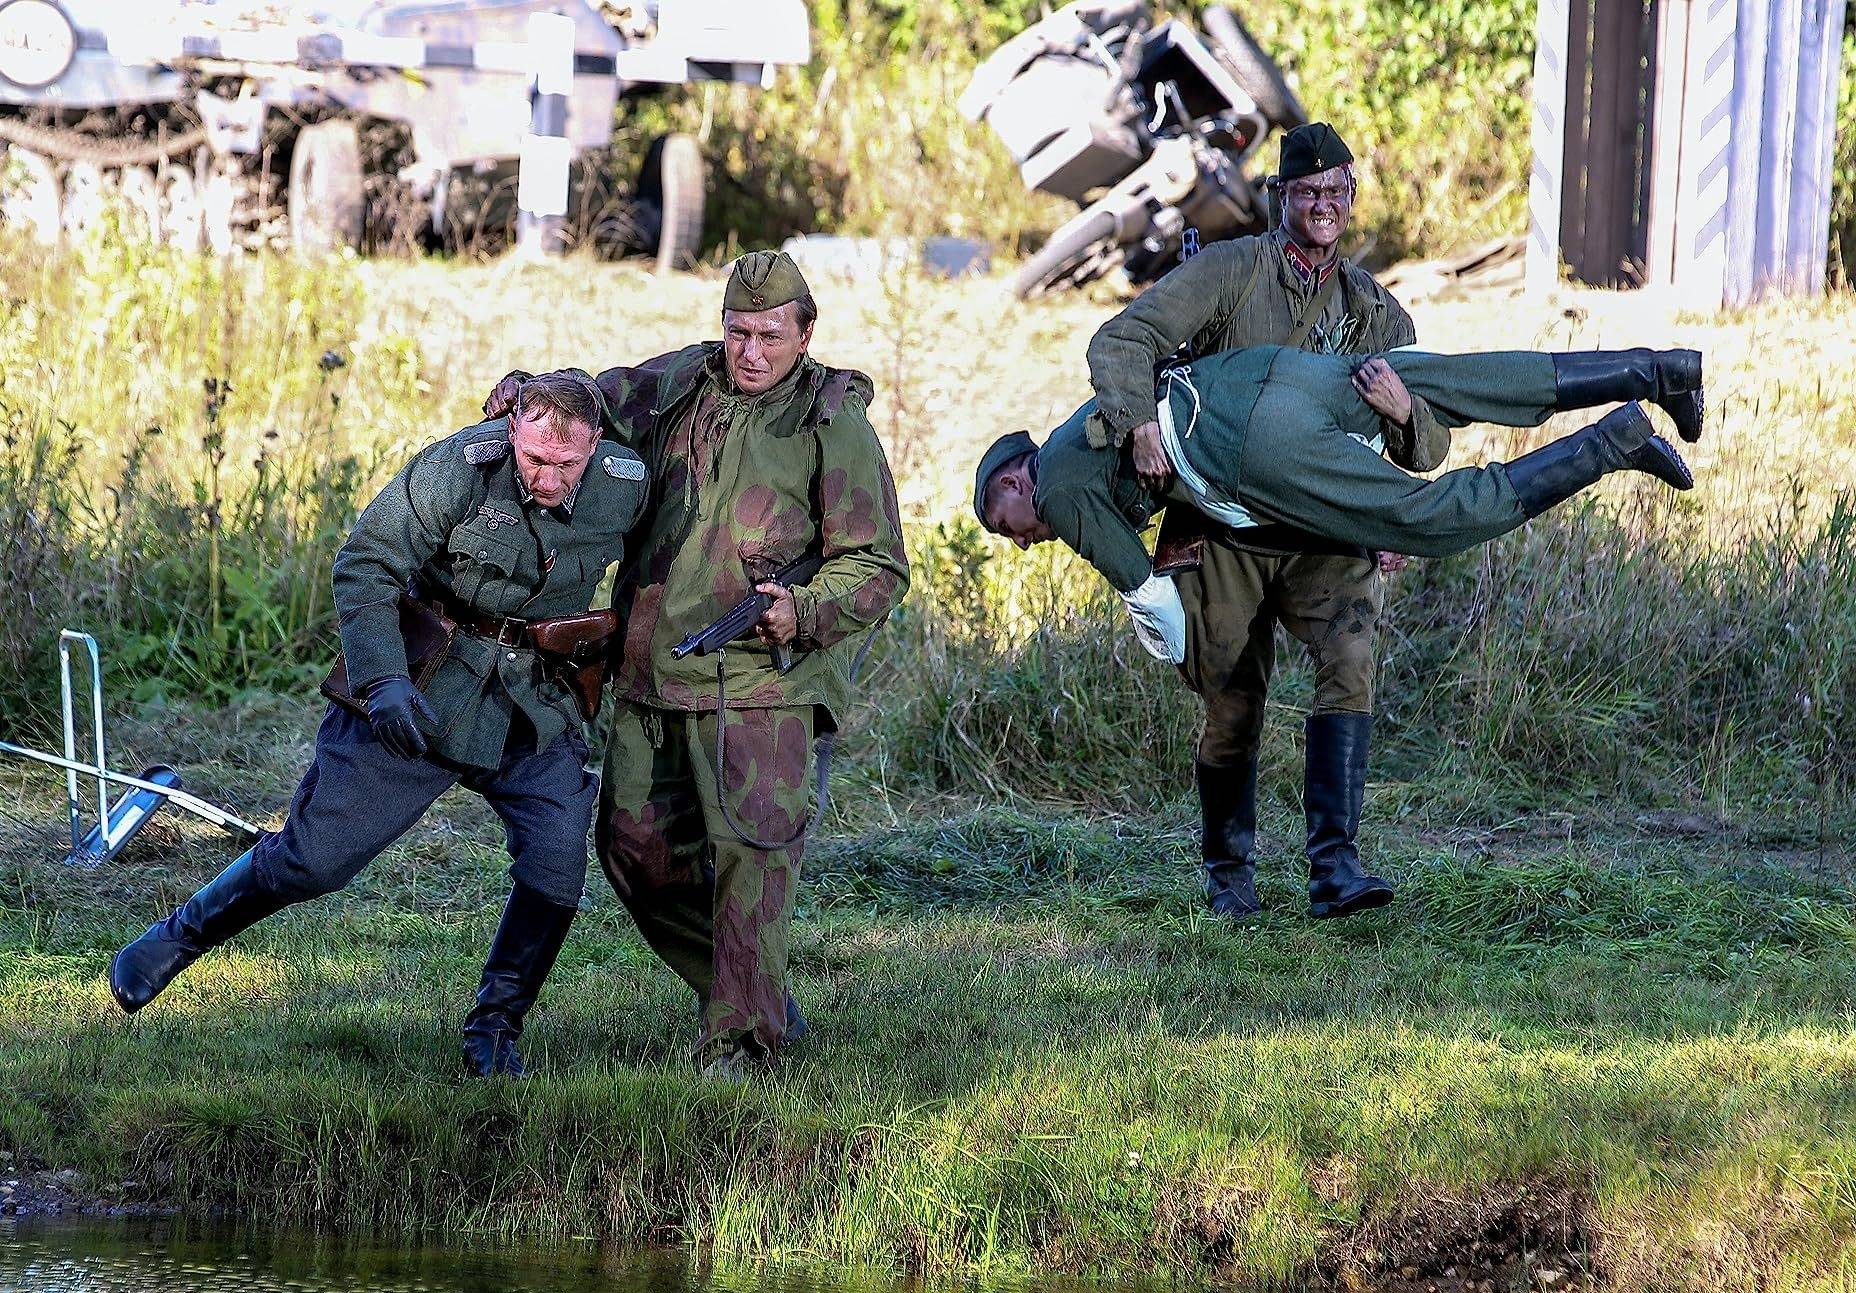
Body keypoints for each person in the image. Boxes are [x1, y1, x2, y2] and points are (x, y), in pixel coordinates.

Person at [106, 372, 651, 1080]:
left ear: (595, 444)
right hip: (427, 683)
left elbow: (661, 554)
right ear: (514, 430)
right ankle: (176, 939)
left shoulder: (624, 481)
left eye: (565, 464)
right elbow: (366, 562)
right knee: (317, 857)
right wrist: (383, 679)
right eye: (534, 459)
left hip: (530, 701)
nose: (546, 477)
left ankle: (494, 1028)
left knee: (556, 858)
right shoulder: (461, 467)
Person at [484, 251, 910, 1079]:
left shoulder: (831, 422)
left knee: (752, 858)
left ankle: (741, 1050)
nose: (751, 352)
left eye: (770, 336)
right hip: (653, 670)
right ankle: (753, 994)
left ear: (805, 333)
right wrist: (536, 388)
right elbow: (594, 400)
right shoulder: (682, 381)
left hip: (765, 679)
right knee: (633, 852)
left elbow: (879, 565)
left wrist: (805, 610)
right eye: (738, 331)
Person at [972, 343, 1704, 763]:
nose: (1022, 540)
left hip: (1258, 445)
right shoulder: (1077, 433)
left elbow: (1149, 594)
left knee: (1430, 519)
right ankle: (1659, 370)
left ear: (1012, 479)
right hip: (1277, 377)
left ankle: (1614, 442)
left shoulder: (1059, 493)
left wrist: (1171, 648)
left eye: (1006, 525)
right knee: (1458, 381)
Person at [1086, 123, 1440, 921]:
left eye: (1336, 192)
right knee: (1232, 699)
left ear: (1352, 198)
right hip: (1225, 529)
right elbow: (1124, 339)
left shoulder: (1375, 313)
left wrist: (1405, 417)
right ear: (1281, 198)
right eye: (1307, 192)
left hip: (1326, 534)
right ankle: (1227, 870)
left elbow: (1425, 442)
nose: (1323, 205)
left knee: (1351, 661)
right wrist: (1141, 423)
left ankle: (1335, 866)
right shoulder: (1230, 271)